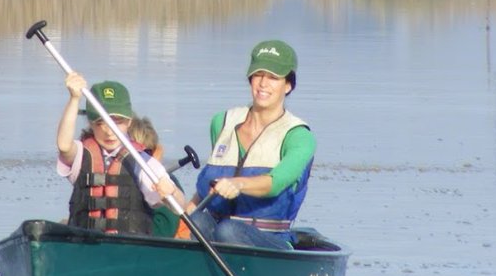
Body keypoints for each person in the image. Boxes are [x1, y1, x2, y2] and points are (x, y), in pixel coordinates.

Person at [185, 39, 314, 250]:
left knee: (229, 230)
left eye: (273, 77)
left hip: (271, 239)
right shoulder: (221, 122)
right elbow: (209, 187)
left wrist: (239, 184)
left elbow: (277, 182)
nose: (263, 84)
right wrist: (185, 212)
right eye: (258, 75)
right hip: (218, 230)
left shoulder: (299, 136)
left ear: (288, 85)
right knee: (197, 220)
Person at [56, 72, 186, 235]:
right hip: (85, 246)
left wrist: (171, 192)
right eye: (100, 123)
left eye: (117, 122)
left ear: (129, 122)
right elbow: (64, 146)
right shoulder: (81, 154)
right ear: (90, 122)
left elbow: (179, 206)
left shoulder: (142, 162)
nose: (109, 131)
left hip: (129, 248)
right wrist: (74, 99)